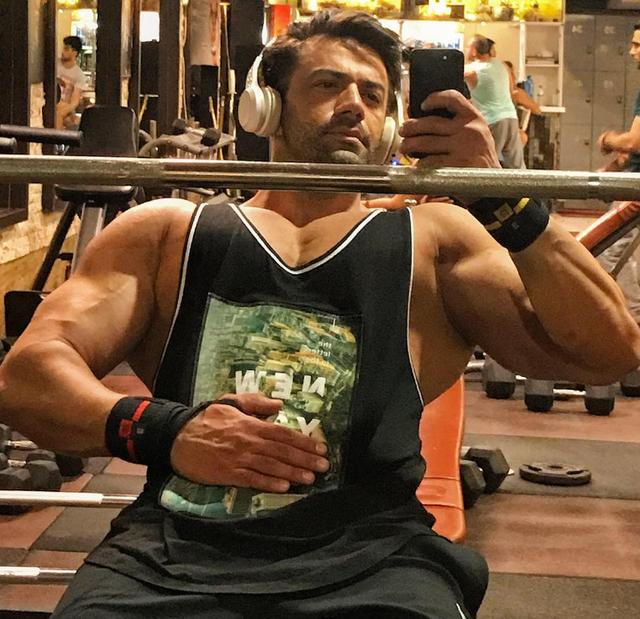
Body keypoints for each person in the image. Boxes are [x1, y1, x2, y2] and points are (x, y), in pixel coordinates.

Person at [1, 9, 639, 619]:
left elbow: (608, 352)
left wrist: (504, 198)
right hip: (166, 558)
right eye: (329, 85)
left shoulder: (435, 242)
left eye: (374, 94)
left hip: (376, 564)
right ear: (265, 106)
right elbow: (27, 376)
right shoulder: (168, 233)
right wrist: (170, 433)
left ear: (389, 125)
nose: (355, 104)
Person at [595, 22, 640, 327]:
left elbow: (636, 141)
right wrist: (619, 164)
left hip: (634, 193)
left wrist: (609, 140)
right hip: (632, 181)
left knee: (607, 256)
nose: (632, 51)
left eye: (638, 45)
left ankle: (628, 331)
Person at [464, 35, 526, 169]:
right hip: (511, 117)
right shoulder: (503, 66)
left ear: (474, 50)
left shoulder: (470, 71)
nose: (466, 50)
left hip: (492, 120)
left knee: (489, 162)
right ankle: (523, 183)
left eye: (468, 47)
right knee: (516, 164)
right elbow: (511, 91)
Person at [56, 35, 86, 130]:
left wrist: (65, 110)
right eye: (63, 48)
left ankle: (56, 138)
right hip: (52, 101)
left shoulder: (79, 74)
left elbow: (74, 101)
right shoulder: (55, 64)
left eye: (66, 49)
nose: (62, 52)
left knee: (59, 115)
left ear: (75, 52)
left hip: (65, 104)